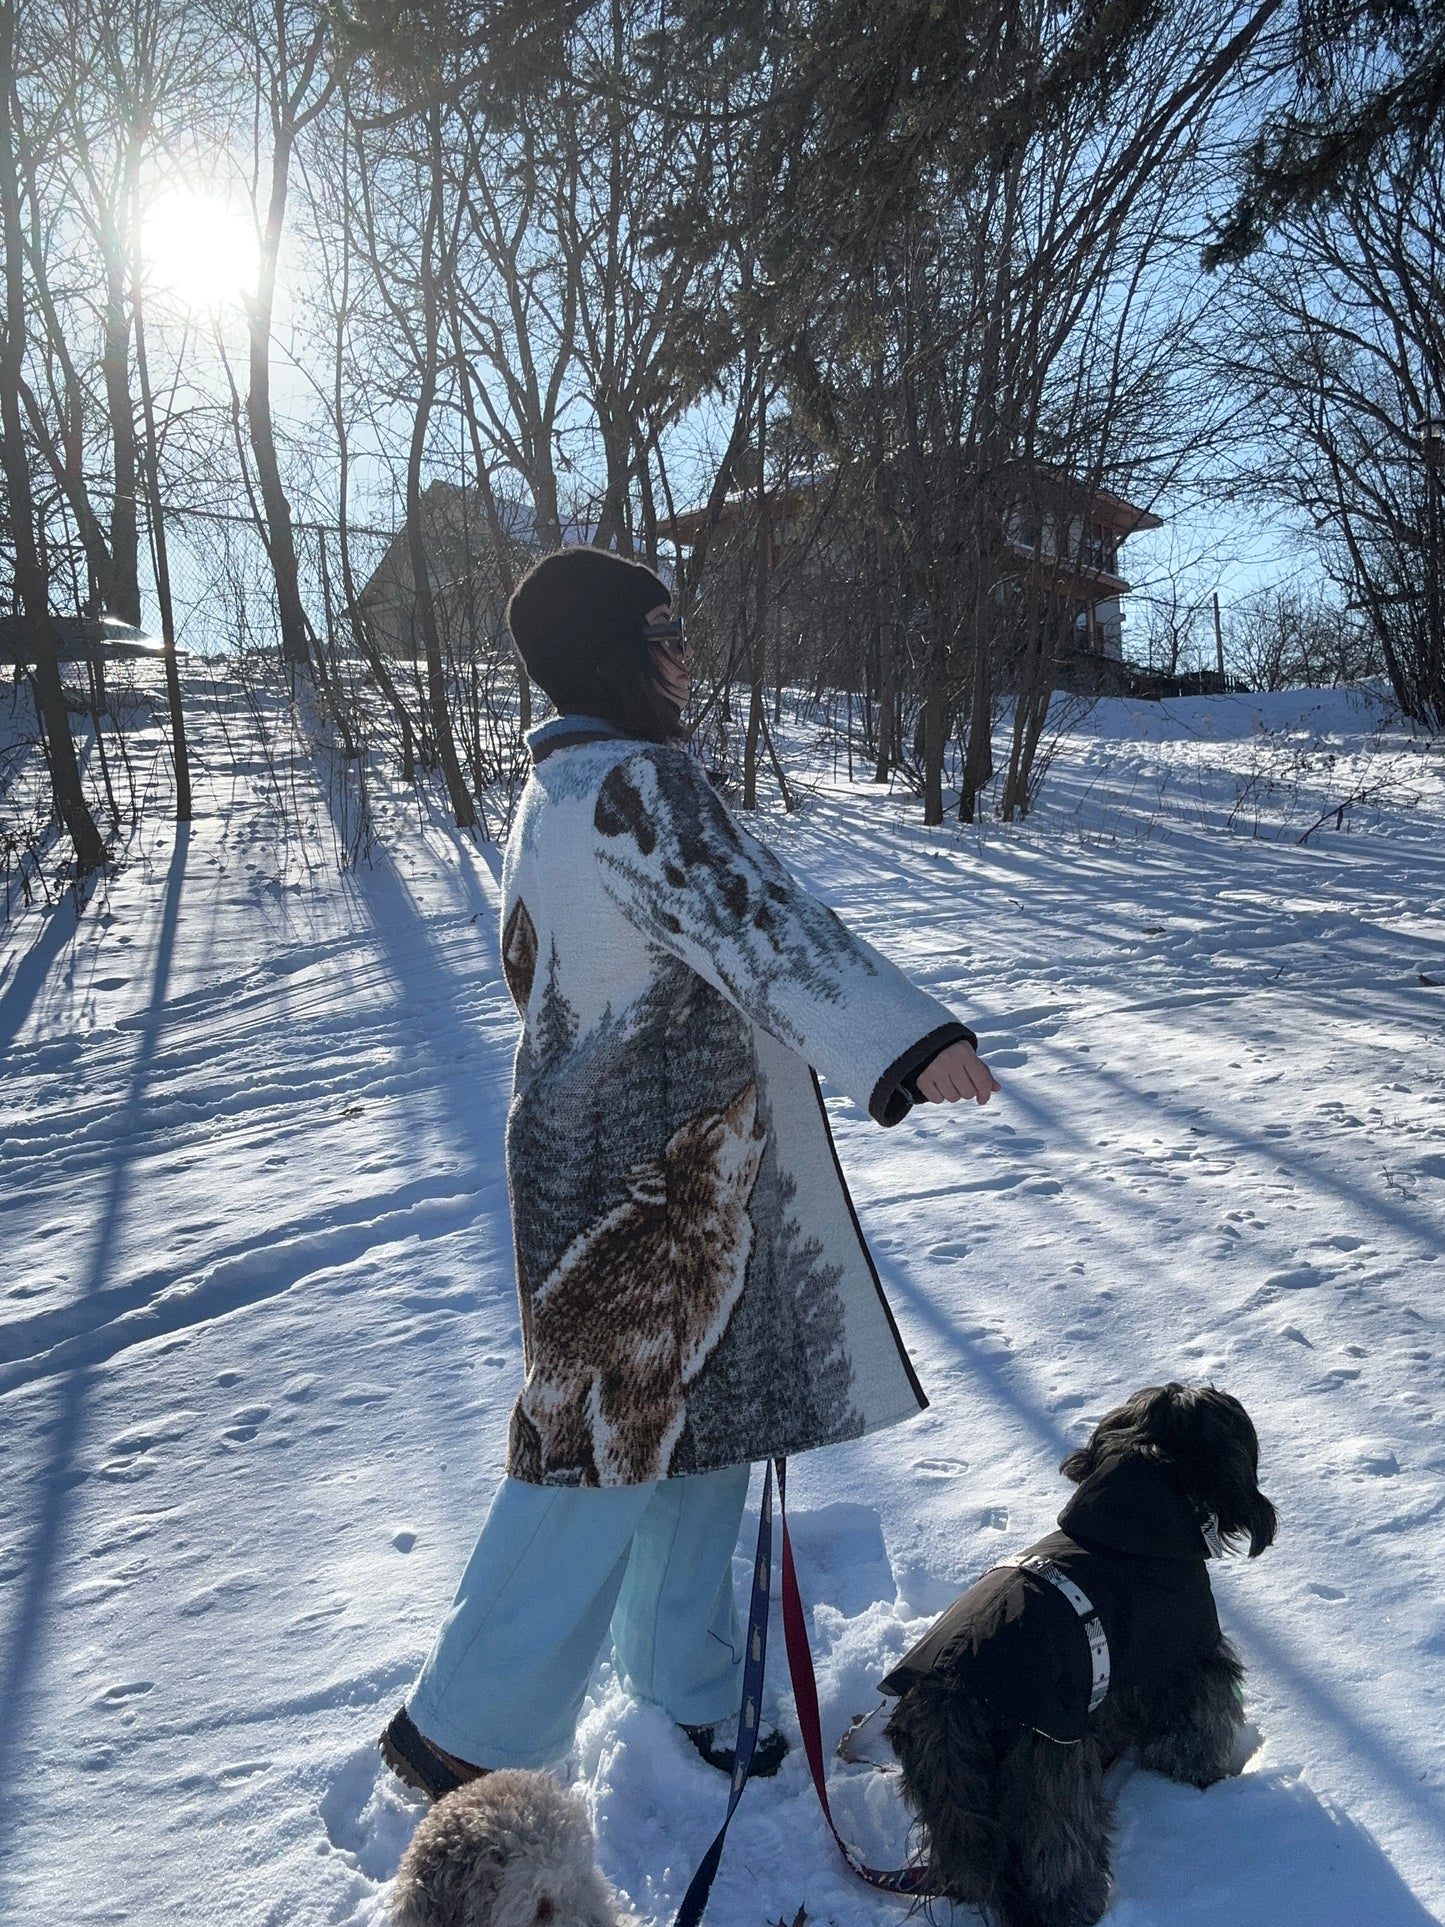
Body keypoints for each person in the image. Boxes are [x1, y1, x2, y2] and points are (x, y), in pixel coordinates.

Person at [380, 546, 998, 1798]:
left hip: (623, 1163)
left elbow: (530, 967)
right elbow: (760, 921)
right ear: (610, 655)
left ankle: (684, 1677)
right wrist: (908, 1041)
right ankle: (464, 1725)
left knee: (692, 1426)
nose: (685, 657)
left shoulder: (550, 789)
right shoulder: (639, 786)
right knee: (587, 1449)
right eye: (661, 636)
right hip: (641, 1187)